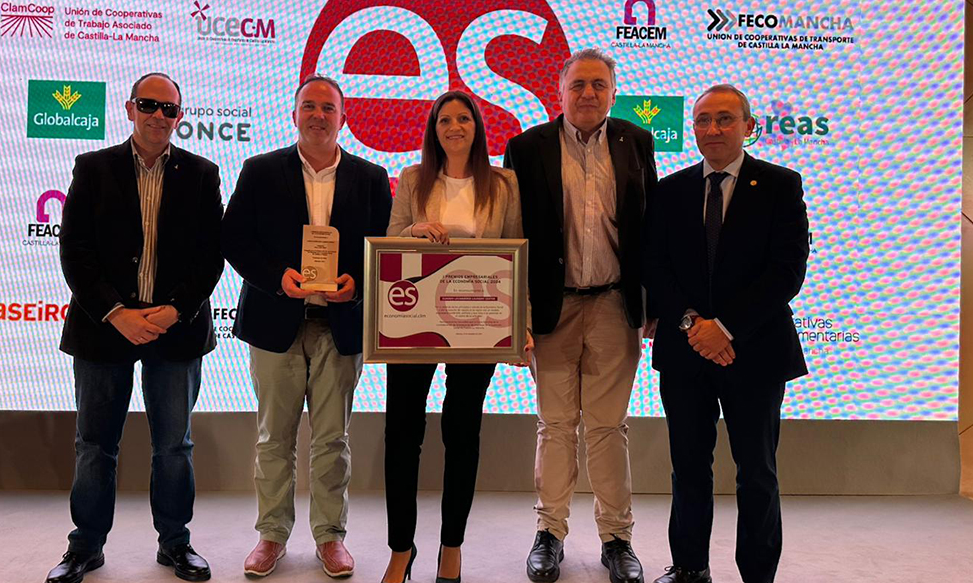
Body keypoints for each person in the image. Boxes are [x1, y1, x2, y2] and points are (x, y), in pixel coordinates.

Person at [48, 72, 223, 583]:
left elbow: (211, 255)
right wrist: (116, 313)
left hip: (176, 326)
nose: (158, 116)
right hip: (104, 327)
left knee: (174, 445)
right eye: (149, 105)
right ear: (129, 109)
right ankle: (84, 548)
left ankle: (175, 545)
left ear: (179, 117)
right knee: (94, 444)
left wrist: (174, 311)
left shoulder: (202, 173)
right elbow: (75, 252)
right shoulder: (93, 167)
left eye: (169, 109)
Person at [221, 74, 393, 578]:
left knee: (332, 439)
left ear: (344, 119)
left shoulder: (371, 176)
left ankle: (330, 537)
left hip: (339, 322)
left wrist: (356, 284)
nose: (318, 115)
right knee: (274, 436)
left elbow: (382, 249)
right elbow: (235, 241)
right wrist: (279, 278)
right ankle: (271, 535)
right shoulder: (259, 170)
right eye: (309, 106)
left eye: (328, 108)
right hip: (275, 321)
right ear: (293, 114)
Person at [643, 85, 809, 583]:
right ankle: (690, 567)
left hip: (754, 353)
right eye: (702, 120)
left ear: (748, 126)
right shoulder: (670, 191)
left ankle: (758, 572)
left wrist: (726, 329)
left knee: (756, 472)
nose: (712, 129)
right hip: (685, 351)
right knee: (688, 469)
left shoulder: (781, 184)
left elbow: (787, 272)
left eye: (724, 119)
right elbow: (656, 267)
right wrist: (697, 327)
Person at [504, 48, 657, 583]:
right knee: (555, 425)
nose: (588, 94)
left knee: (608, 427)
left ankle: (617, 539)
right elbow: (513, 235)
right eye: (578, 85)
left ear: (614, 92)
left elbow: (649, 230)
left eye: (598, 85)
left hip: (616, 307)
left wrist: (651, 304)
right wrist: (514, 312)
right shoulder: (526, 147)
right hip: (552, 309)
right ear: (560, 91)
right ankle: (549, 534)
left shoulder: (636, 142)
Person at [379, 91, 532, 583]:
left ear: (477, 126)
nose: (454, 126)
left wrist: (521, 324)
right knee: (403, 435)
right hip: (412, 324)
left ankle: (451, 548)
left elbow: (516, 258)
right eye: (444, 119)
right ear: (434, 129)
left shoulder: (504, 183)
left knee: (462, 434)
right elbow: (389, 243)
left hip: (477, 326)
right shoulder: (411, 179)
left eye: (463, 118)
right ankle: (401, 549)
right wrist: (415, 231)